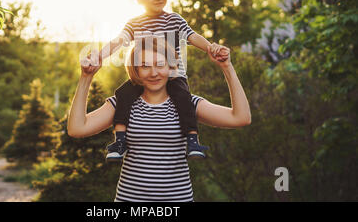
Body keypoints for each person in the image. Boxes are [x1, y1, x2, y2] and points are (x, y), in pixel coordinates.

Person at [69, 39, 251, 202]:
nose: (154, 72)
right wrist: (86, 77)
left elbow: (240, 118)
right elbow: (77, 128)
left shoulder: (188, 104)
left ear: (171, 67)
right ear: (136, 70)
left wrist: (227, 67)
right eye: (145, 66)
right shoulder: (122, 104)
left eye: (160, 64)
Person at [93, 0, 229, 161]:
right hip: (143, 78)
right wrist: (100, 55)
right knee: (122, 95)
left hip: (173, 76)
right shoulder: (134, 23)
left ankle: (192, 140)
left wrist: (210, 48)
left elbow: (193, 36)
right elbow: (118, 41)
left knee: (184, 99)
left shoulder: (174, 20)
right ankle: (120, 141)